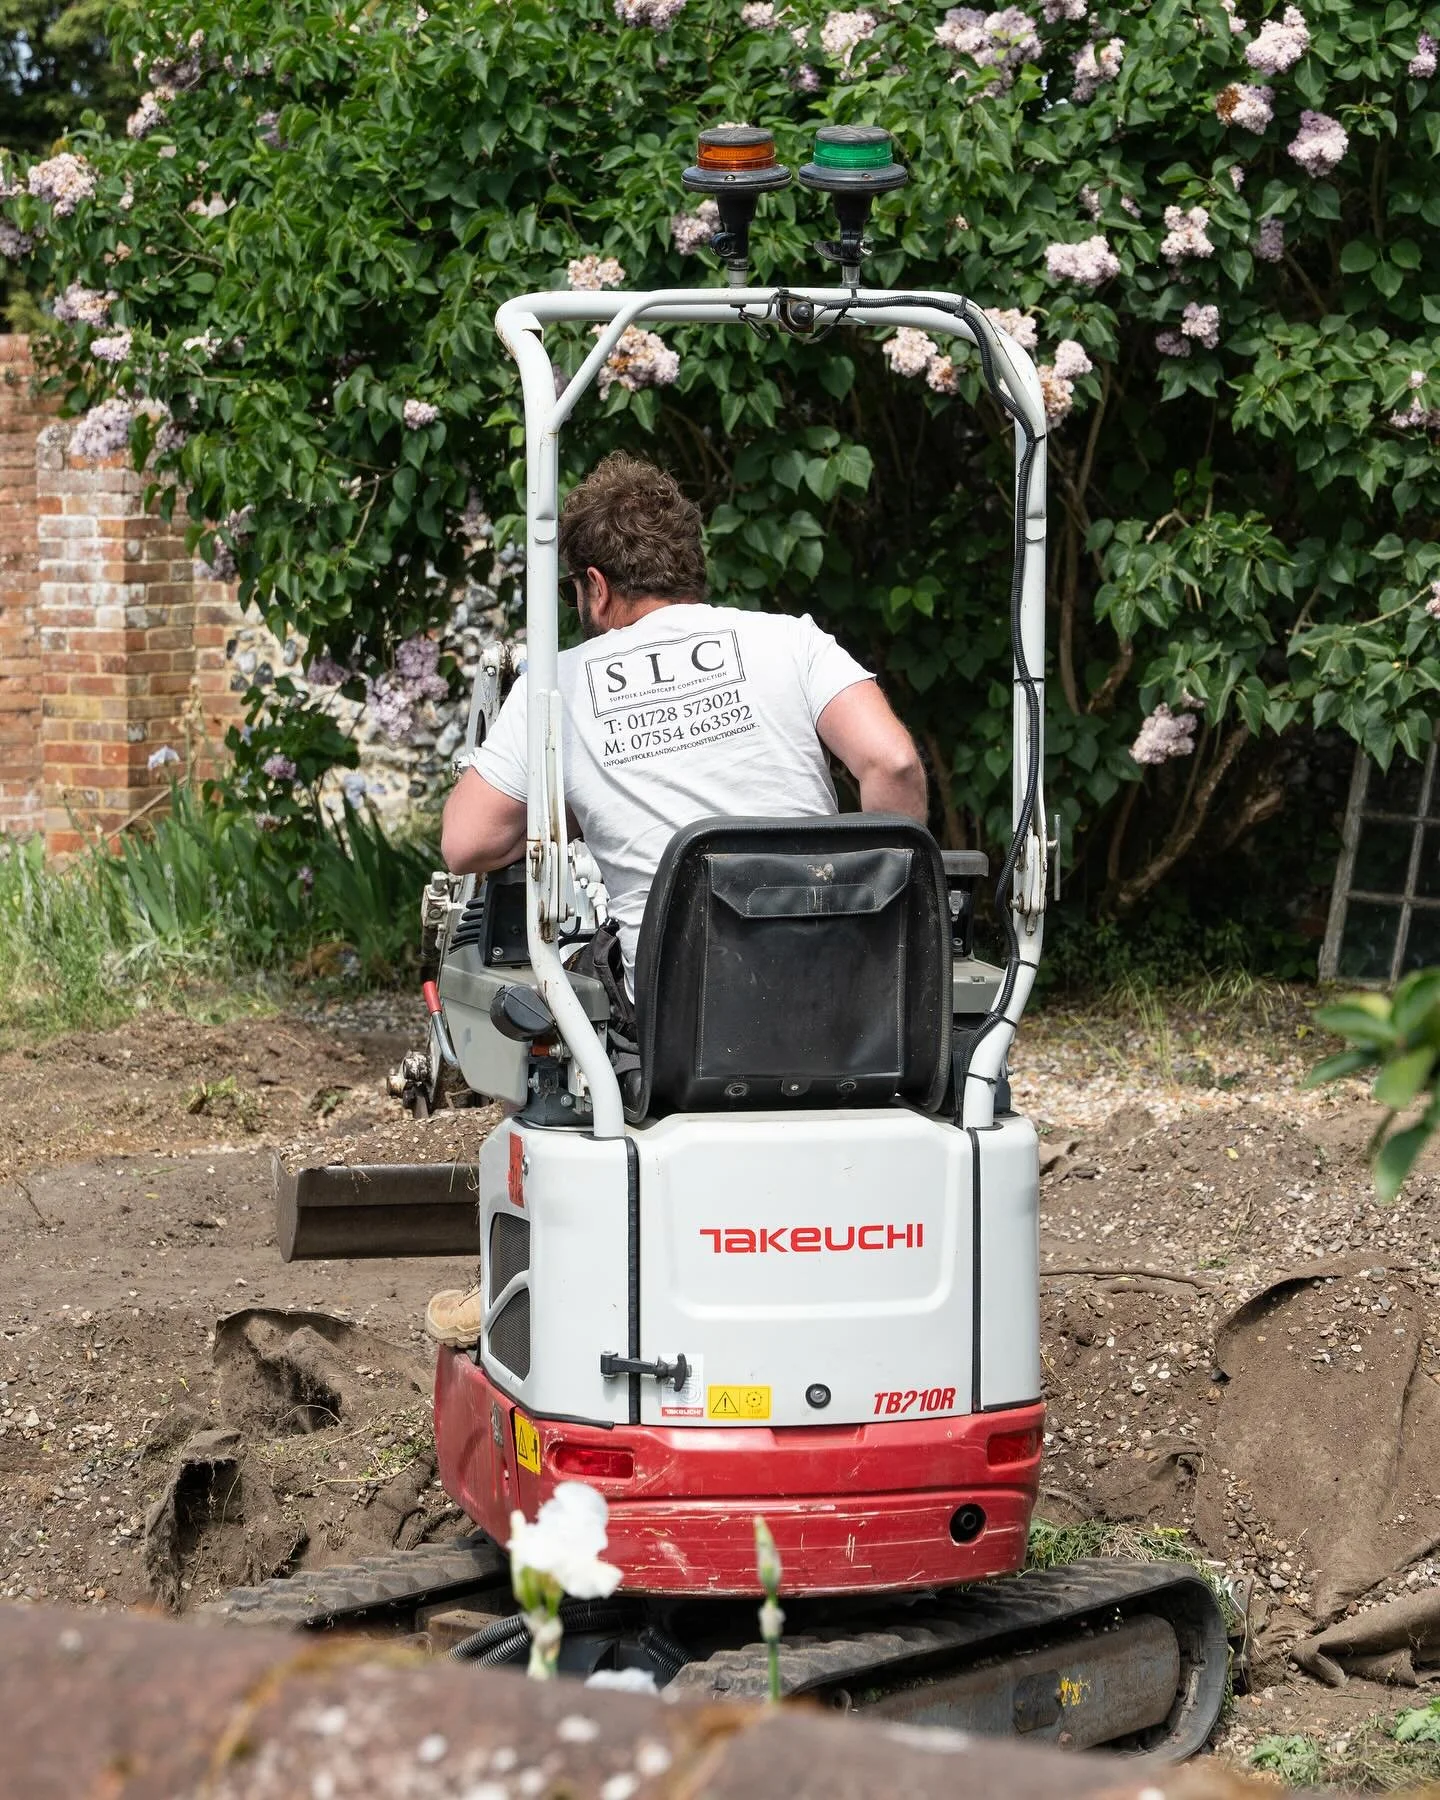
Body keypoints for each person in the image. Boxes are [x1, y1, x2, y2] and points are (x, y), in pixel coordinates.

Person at [426, 451, 926, 1347]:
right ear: (692, 564)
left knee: (540, 1015)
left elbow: (467, 840)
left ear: (592, 585)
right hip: (843, 999)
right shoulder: (790, 641)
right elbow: (890, 762)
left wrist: (576, 811)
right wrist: (880, 912)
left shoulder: (566, 681)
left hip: (679, 1018)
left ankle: (531, 1278)